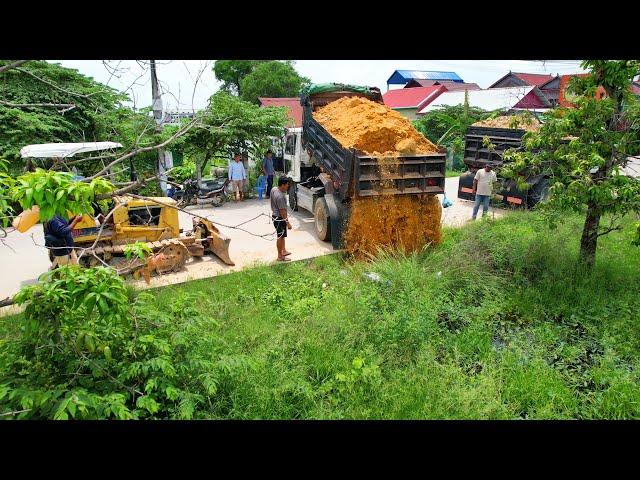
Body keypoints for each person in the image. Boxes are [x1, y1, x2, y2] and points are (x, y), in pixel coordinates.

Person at [271, 176, 293, 262]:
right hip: (279, 218)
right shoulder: (280, 197)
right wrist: (288, 223)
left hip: (275, 216)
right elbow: (283, 212)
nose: (288, 186)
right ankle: (280, 256)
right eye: (287, 185)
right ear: (283, 185)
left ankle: (283, 251)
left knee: (282, 235)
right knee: (280, 236)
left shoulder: (274, 189)